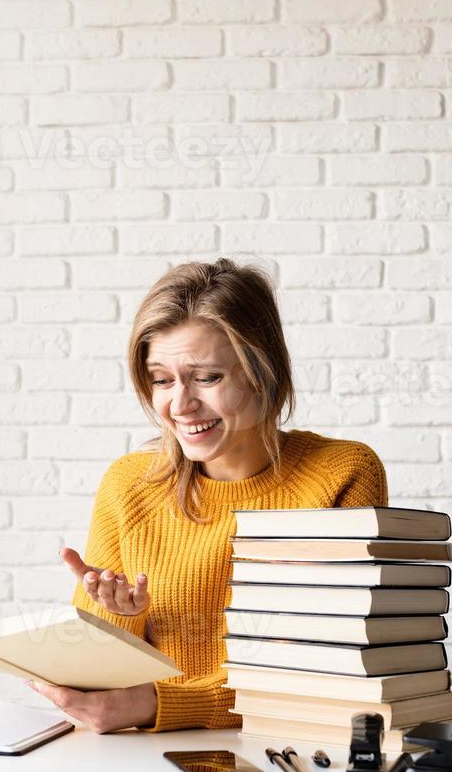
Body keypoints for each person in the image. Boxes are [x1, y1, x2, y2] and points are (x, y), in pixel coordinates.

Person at [26, 258, 388, 732]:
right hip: (134, 759)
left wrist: (161, 705)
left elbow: (323, 667)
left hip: (288, 749)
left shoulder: (341, 474)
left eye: (207, 377)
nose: (180, 405)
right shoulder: (130, 483)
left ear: (264, 370)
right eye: (161, 380)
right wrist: (120, 616)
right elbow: (102, 689)